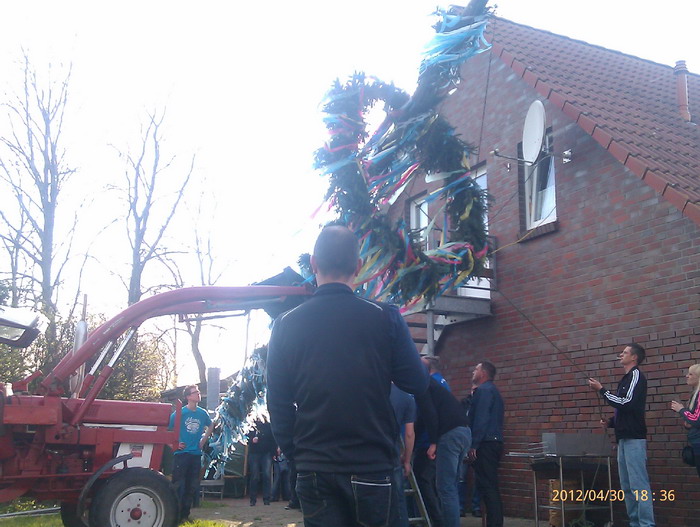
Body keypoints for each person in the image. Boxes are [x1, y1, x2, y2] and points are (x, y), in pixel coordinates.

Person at [266, 224, 428, 527]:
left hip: (314, 465)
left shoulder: (285, 325)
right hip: (372, 465)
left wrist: (297, 456)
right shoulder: (385, 317)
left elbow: (277, 403)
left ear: (314, 263)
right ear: (358, 266)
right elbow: (417, 382)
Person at [588, 343, 655, 527]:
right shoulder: (625, 379)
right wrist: (611, 422)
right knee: (627, 487)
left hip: (634, 439)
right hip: (623, 439)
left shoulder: (636, 376)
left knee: (639, 486)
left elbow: (627, 402)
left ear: (634, 357)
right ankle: (635, 523)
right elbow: (624, 409)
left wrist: (602, 390)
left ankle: (646, 524)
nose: (621, 355)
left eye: (625, 352)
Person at [415, 375, 471, 527]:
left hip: (449, 434)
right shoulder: (435, 388)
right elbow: (422, 420)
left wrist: (433, 442)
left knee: (445, 488)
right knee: (451, 486)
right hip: (464, 432)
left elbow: (429, 414)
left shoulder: (421, 386)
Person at [169, 385, 213, 523]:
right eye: (195, 393)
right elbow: (166, 431)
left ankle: (185, 516)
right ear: (188, 397)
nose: (198, 394)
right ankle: (173, 514)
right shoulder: (179, 414)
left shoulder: (202, 413)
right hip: (181, 454)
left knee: (191, 486)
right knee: (178, 485)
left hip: (195, 454)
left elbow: (211, 425)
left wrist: (203, 440)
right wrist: (173, 445)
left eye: (199, 392)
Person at [468, 361, 504, 527]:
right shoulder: (493, 391)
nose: (473, 372)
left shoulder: (483, 391)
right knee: (489, 486)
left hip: (485, 443)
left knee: (488, 487)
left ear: (483, 373)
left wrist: (474, 444)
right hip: (494, 441)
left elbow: (481, 418)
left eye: (476, 369)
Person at [390, 384, 417, 527]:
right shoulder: (407, 398)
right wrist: (407, 460)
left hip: (369, 455)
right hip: (392, 454)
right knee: (399, 501)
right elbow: (409, 434)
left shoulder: (371, 389)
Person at [671, 363, 700, 477]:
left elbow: (697, 420)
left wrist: (681, 410)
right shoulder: (695, 394)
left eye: (691, 374)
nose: (687, 376)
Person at [246, 416, 276, 506]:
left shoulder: (268, 425)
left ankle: (266, 499)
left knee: (267, 475)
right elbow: (245, 437)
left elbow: (273, 439)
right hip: (254, 453)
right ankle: (253, 499)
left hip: (266, 452)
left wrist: (273, 453)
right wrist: (251, 440)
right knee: (255, 476)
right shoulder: (251, 424)